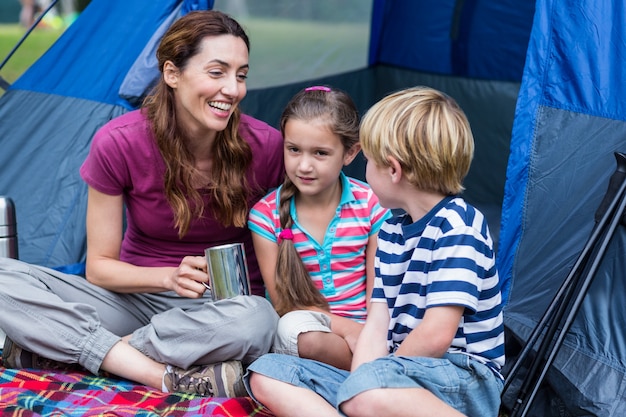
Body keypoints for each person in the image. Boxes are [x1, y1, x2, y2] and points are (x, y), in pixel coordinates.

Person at [0, 10, 284, 398]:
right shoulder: (120, 141)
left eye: (241, 75)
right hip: (131, 301)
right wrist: (167, 277)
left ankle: (81, 351)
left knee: (260, 317)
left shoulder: (266, 148)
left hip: (218, 313)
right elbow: (98, 269)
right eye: (217, 72)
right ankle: (156, 372)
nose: (233, 89)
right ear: (172, 73)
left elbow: (285, 258)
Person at [245, 86, 506, 417]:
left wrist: (372, 380)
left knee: (367, 394)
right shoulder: (393, 231)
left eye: (367, 159)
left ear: (393, 170)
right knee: (267, 373)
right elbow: (377, 323)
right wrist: (362, 379)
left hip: (461, 378)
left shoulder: (459, 224)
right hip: (393, 372)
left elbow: (436, 336)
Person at [248, 86, 390, 371]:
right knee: (299, 333)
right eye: (294, 150)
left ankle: (362, 368)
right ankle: (373, 370)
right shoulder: (265, 217)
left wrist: (367, 333)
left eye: (320, 153)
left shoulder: (371, 204)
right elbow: (284, 304)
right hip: (306, 329)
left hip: (368, 329)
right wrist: (347, 330)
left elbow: (380, 295)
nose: (304, 165)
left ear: (350, 153)